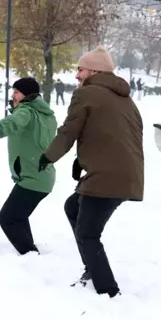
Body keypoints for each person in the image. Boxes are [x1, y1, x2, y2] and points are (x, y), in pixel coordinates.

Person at [38, 45, 144, 298]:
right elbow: (108, 134)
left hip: (106, 176)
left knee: (88, 233)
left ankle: (107, 290)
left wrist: (48, 156)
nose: (77, 75)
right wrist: (82, 159)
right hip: (125, 174)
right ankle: (92, 271)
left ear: (95, 71)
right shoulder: (125, 99)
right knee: (73, 207)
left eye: (81, 69)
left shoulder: (87, 94)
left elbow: (69, 130)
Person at [0, 77, 57, 255]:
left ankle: (30, 253)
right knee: (18, 217)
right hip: (42, 175)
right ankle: (31, 253)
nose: (13, 96)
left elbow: (12, 122)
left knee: (7, 218)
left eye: (17, 92)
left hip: (32, 178)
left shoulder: (26, 112)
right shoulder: (47, 116)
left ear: (27, 95)